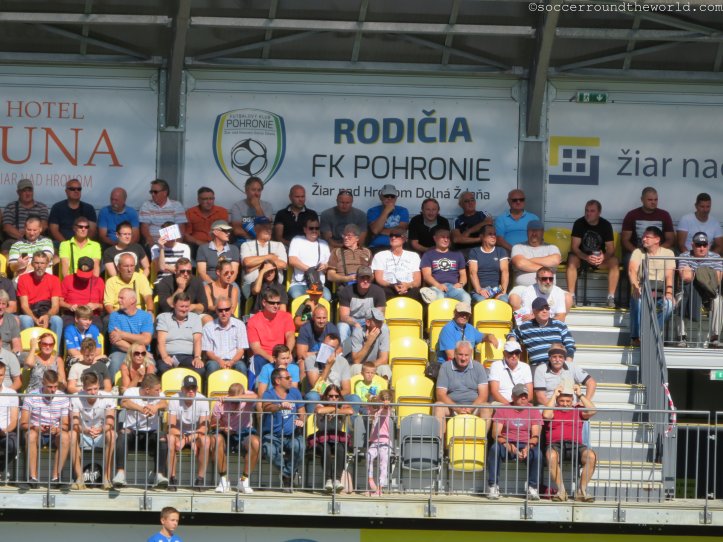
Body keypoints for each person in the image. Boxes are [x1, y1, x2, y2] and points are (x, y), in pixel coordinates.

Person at [543, 382, 597, 502]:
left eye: (568, 401)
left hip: (575, 445)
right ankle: (561, 491)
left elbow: (593, 410)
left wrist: (580, 395)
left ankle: (582, 491)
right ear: (557, 401)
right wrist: (554, 395)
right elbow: (546, 415)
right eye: (562, 401)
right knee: (551, 456)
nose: (565, 404)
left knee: (591, 456)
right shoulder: (552, 410)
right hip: (555, 445)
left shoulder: (577, 410)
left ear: (572, 400)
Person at [113, 374, 169, 489]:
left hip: (151, 433)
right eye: (157, 389)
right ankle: (120, 474)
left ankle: (159, 474)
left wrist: (155, 407)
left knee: (162, 437)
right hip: (132, 432)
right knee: (122, 434)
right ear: (147, 390)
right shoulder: (131, 391)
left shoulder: (159, 394)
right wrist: (141, 409)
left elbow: (165, 403)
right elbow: (124, 402)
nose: (159, 391)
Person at [487, 383, 542, 500]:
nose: (523, 398)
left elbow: (536, 435)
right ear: (513, 397)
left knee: (537, 454)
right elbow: (495, 433)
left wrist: (527, 448)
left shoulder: (533, 410)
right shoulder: (503, 409)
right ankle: (493, 485)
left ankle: (532, 487)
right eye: (520, 395)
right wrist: (509, 446)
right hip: (507, 442)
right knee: (494, 449)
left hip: (526, 443)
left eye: (525, 395)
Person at [20, 369, 70, 488]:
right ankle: (33, 478)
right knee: (31, 435)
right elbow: (23, 423)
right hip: (36, 432)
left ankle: (56, 478)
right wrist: (35, 427)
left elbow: (65, 425)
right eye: (50, 387)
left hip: (54, 433)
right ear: (43, 383)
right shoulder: (31, 395)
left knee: (65, 437)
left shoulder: (63, 397)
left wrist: (57, 429)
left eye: (55, 387)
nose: (53, 390)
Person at [566, 199, 619, 308]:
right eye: (586, 210)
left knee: (614, 262)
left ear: (599, 213)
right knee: (571, 260)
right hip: (581, 257)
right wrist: (586, 257)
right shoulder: (579, 223)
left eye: (592, 211)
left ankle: (611, 297)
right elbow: (574, 247)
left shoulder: (606, 225)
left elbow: (610, 249)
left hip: (598, 259)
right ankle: (571, 296)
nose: (588, 213)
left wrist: (603, 257)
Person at [261, 366, 306, 492]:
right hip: (272, 435)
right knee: (269, 451)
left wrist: (301, 421)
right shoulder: (268, 394)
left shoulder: (295, 392)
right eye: (287, 378)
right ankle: (288, 473)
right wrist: (279, 407)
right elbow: (266, 407)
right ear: (277, 380)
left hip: (292, 434)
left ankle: (286, 475)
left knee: (300, 446)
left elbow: (302, 411)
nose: (291, 379)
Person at [628, 226, 675, 346]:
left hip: (660, 290)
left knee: (669, 305)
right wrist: (635, 287)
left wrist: (669, 293)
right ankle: (636, 337)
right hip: (642, 288)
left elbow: (669, 275)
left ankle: (652, 333)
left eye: (647, 237)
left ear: (657, 239)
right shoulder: (638, 252)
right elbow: (632, 270)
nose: (643, 239)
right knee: (637, 301)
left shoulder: (668, 253)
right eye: (643, 236)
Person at [69, 371, 116, 490]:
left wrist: (101, 429)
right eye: (89, 389)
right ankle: (79, 478)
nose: (93, 392)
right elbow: (75, 424)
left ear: (99, 385)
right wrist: (85, 430)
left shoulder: (108, 397)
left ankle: (106, 478)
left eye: (95, 388)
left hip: (102, 433)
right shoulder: (75, 397)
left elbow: (110, 423)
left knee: (111, 434)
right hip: (83, 433)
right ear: (83, 388)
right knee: (72, 434)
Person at [433, 340, 490, 438]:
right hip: (451, 408)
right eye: (460, 354)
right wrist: (457, 408)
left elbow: (484, 395)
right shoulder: (445, 367)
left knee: (487, 407)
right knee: (438, 406)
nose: (463, 358)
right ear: (455, 353)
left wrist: (470, 409)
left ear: (471, 354)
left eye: (466, 355)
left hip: (474, 407)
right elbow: (440, 394)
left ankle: (481, 442)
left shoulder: (478, 367)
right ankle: (441, 444)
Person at [211, 382, 260, 494]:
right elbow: (213, 424)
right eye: (232, 401)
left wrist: (234, 398)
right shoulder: (220, 403)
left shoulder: (248, 397)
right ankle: (224, 480)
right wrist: (223, 428)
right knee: (216, 439)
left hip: (244, 432)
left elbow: (256, 396)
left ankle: (244, 480)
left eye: (237, 401)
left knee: (256, 442)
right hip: (226, 433)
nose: (235, 404)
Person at [677, 231, 723, 347]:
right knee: (680, 299)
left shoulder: (716, 257)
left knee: (718, 301)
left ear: (708, 245)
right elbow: (685, 277)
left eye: (704, 245)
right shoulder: (684, 256)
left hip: (709, 293)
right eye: (698, 245)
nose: (702, 248)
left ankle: (715, 337)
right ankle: (682, 337)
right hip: (689, 291)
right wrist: (706, 274)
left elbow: (717, 280)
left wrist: (694, 272)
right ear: (692, 245)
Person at [167, 374, 211, 490]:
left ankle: (200, 479)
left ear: (197, 389)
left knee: (206, 441)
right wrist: (183, 439)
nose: (191, 391)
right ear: (182, 389)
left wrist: (187, 440)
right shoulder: (174, 399)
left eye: (193, 388)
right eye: (188, 388)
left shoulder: (203, 400)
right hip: (178, 433)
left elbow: (204, 428)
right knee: (170, 439)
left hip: (195, 435)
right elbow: (171, 427)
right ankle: (172, 478)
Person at [246, 289, 296, 388]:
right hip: (263, 356)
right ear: (264, 302)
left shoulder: (286, 317)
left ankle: (291, 393)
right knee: (258, 360)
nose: (276, 306)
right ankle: (259, 390)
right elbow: (256, 348)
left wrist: (288, 353)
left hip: (282, 354)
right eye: (272, 303)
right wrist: (271, 358)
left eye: (278, 303)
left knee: (292, 364)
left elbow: (290, 336)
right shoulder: (253, 321)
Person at [309, 384, 353, 493]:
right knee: (325, 449)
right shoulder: (320, 404)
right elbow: (319, 410)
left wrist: (334, 410)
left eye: (336, 396)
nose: (334, 398)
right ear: (326, 396)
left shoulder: (342, 405)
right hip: (322, 437)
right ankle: (328, 479)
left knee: (341, 448)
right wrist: (335, 408)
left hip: (337, 437)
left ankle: (337, 480)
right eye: (331, 396)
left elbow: (350, 411)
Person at [514, 297, 576, 369]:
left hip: (558, 366)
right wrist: (512, 339)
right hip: (537, 367)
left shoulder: (559, 325)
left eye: (547, 308)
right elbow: (512, 334)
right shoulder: (526, 327)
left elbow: (570, 345)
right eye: (541, 309)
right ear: (534, 311)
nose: (545, 311)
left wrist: (568, 363)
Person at [107, 288, 154, 382]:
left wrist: (122, 334)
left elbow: (146, 340)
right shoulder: (114, 315)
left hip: (142, 353)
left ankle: (148, 388)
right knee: (115, 361)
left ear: (132, 300)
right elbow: (115, 340)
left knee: (151, 365)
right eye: (119, 298)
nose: (118, 300)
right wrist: (135, 351)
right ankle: (111, 388)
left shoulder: (146, 316)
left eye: (122, 298)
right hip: (121, 352)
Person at [156, 292, 204, 377]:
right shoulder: (164, 318)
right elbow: (161, 341)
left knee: (199, 369)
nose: (184, 309)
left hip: (188, 356)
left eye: (187, 306)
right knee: (164, 369)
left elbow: (197, 340)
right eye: (182, 306)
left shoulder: (195, 318)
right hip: (169, 355)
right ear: (174, 305)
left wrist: (197, 357)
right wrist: (165, 357)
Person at [17, 251, 63, 339]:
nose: (39, 266)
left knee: (57, 320)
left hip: (46, 310)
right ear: (32, 264)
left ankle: (55, 347)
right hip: (30, 312)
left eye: (42, 263)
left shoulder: (54, 280)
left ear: (47, 265)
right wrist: (34, 318)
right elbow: (24, 306)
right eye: (37, 263)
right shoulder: (23, 279)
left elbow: (55, 306)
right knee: (25, 319)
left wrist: (47, 316)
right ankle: (28, 347)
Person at [621, 186, 675, 261]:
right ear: (642, 199)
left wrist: (658, 251)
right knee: (628, 259)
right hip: (637, 251)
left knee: (672, 255)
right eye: (650, 200)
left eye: (656, 200)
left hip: (659, 251)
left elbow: (670, 239)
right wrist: (637, 253)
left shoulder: (664, 215)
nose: (653, 202)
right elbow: (625, 240)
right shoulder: (631, 215)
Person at [419, 228, 471, 304]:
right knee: (439, 298)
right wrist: (438, 285)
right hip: (435, 287)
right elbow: (426, 276)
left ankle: (462, 312)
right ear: (435, 238)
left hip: (454, 287)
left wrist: (461, 284)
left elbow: (463, 274)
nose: (446, 240)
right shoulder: (428, 255)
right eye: (443, 237)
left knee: (466, 297)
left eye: (448, 237)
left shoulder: (458, 254)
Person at [240, 216, 287, 298]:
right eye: (264, 227)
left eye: (270, 227)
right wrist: (270, 257)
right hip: (252, 286)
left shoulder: (278, 245)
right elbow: (247, 262)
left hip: (274, 285)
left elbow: (283, 264)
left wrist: (254, 265)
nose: (268, 230)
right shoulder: (246, 245)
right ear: (255, 229)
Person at [336, 265, 386, 343]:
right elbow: (344, 316)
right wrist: (355, 324)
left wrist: (370, 326)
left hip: (371, 321)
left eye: (368, 278)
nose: (365, 281)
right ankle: (344, 350)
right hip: (352, 321)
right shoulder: (346, 291)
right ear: (357, 278)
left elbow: (379, 315)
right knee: (342, 327)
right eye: (362, 278)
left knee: (384, 328)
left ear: (371, 279)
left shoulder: (379, 292)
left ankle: (382, 350)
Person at [371, 228, 422, 302]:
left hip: (409, 288)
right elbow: (379, 279)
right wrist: (392, 285)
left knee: (416, 292)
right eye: (391, 235)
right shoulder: (380, 255)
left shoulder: (414, 256)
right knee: (381, 291)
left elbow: (417, 281)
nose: (393, 237)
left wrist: (408, 285)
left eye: (397, 235)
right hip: (388, 287)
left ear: (404, 239)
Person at [509, 220, 562, 292]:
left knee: (568, 297)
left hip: (548, 288)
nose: (534, 233)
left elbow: (555, 260)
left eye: (537, 231)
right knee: (513, 298)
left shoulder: (552, 247)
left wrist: (528, 261)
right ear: (527, 232)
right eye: (531, 231)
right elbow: (520, 263)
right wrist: (546, 269)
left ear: (542, 232)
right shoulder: (518, 247)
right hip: (523, 289)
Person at [202, 296, 250, 375]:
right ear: (216, 311)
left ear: (231, 309)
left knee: (241, 367)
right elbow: (209, 352)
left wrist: (232, 362)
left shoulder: (240, 325)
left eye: (227, 309)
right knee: (212, 366)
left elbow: (240, 350)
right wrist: (219, 361)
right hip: (215, 361)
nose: (224, 313)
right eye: (220, 310)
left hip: (235, 360)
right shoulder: (208, 327)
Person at [288, 216, 332, 301]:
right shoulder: (297, 240)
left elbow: (329, 264)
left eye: (317, 228)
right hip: (299, 284)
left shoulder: (324, 244)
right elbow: (292, 260)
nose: (314, 230)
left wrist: (325, 266)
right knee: (297, 296)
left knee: (327, 297)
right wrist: (311, 271)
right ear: (305, 229)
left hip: (319, 285)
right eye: (311, 228)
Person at [304, 334, 353, 407]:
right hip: (319, 396)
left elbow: (347, 389)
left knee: (354, 398)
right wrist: (328, 366)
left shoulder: (343, 362)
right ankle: (313, 415)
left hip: (336, 396)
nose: (326, 349)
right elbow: (316, 388)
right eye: (325, 346)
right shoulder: (310, 360)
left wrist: (334, 396)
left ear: (337, 349)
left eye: (331, 348)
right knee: (312, 396)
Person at [1, 178, 49, 254]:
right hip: (15, 240)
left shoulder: (42, 207)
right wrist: (24, 237)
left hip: (38, 240)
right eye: (24, 191)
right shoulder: (11, 207)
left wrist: (32, 234)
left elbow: (44, 225)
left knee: (51, 250)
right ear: (18, 192)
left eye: (30, 190)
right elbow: (7, 227)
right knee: (5, 249)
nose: (27, 193)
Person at [60, 257, 105, 331]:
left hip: (91, 316)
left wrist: (96, 305)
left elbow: (105, 306)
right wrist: (69, 306)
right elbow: (59, 302)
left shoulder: (99, 281)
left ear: (92, 270)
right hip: (72, 315)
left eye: (86, 276)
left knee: (97, 327)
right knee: (69, 328)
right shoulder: (68, 279)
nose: (84, 278)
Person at [139, 179, 188, 247]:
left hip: (171, 243)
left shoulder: (177, 205)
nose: (152, 194)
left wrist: (177, 245)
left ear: (165, 192)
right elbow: (144, 227)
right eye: (151, 192)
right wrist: (151, 242)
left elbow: (181, 228)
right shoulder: (146, 205)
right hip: (153, 243)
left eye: (155, 192)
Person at [468, 224, 510, 303]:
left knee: (503, 301)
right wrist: (479, 290)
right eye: (490, 234)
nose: (493, 236)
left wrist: (503, 291)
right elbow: (472, 272)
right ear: (482, 237)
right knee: (481, 301)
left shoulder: (501, 251)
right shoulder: (474, 251)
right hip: (480, 289)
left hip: (497, 289)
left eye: (494, 234)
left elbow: (505, 271)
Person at [345, 308, 391, 379]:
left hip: (375, 365)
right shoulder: (358, 332)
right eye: (377, 322)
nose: (380, 325)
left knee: (385, 369)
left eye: (381, 321)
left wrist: (369, 368)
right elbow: (356, 360)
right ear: (368, 322)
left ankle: (384, 386)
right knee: (356, 368)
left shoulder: (384, 329)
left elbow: (384, 359)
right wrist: (368, 342)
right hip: (361, 366)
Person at [48, 178, 98, 243]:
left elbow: (92, 231)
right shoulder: (57, 207)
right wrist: (67, 245)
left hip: (83, 244)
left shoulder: (89, 208)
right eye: (72, 189)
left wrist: (82, 244)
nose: (76, 191)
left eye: (79, 189)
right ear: (66, 191)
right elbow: (54, 230)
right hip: (61, 243)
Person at [326, 224, 372, 289]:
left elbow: (373, 274)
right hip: (345, 286)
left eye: (349, 236)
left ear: (357, 238)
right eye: (344, 235)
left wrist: (363, 279)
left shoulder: (366, 251)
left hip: (363, 284)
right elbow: (330, 276)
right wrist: (347, 278)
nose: (345, 238)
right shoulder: (337, 251)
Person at [488, 338, 533, 404]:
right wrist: (509, 407)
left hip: (521, 403)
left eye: (517, 353)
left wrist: (520, 404)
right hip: (500, 403)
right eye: (511, 353)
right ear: (504, 353)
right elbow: (494, 392)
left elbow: (530, 394)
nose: (514, 356)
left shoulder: (526, 367)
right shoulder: (496, 366)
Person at [184, 186, 229, 251]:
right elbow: (186, 235)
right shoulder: (190, 212)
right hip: (196, 245)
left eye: (211, 199)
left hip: (217, 244)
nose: (208, 202)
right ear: (198, 200)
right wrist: (198, 242)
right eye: (205, 199)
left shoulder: (222, 211)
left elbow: (224, 233)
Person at [366, 388, 393, 496]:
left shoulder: (386, 411)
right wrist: (371, 399)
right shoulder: (375, 412)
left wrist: (385, 405)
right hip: (375, 441)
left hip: (385, 441)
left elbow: (385, 408)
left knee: (383, 464)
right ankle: (370, 480)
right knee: (368, 455)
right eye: (382, 399)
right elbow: (369, 407)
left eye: (386, 399)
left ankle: (380, 488)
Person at [230, 176, 274, 243]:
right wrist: (254, 239)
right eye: (253, 190)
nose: (256, 193)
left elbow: (266, 228)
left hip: (263, 241)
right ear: (246, 191)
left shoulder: (267, 206)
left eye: (259, 190)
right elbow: (237, 230)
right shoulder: (237, 206)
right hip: (244, 240)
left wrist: (257, 207)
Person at [367, 184, 410, 251]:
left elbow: (401, 231)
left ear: (396, 198)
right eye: (386, 196)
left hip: (398, 246)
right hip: (377, 246)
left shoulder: (403, 210)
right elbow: (375, 230)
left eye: (392, 196)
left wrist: (381, 230)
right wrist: (386, 211)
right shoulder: (372, 211)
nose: (389, 198)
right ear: (381, 197)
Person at [196, 219, 240, 284]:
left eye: (229, 231)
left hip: (228, 282)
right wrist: (214, 285)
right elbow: (202, 272)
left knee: (235, 288)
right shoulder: (203, 248)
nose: (228, 233)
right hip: (208, 282)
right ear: (215, 232)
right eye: (225, 230)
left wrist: (227, 284)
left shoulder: (234, 249)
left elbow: (234, 272)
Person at [150, 221, 192, 286]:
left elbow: (184, 268)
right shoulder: (155, 248)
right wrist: (161, 248)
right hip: (162, 280)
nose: (171, 238)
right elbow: (159, 268)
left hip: (181, 278)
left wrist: (165, 266)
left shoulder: (185, 247)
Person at [452, 191, 493, 255]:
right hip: (464, 251)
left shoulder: (483, 214)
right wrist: (480, 239)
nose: (470, 203)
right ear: (460, 204)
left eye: (472, 200)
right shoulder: (457, 220)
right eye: (466, 201)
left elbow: (489, 222)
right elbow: (457, 239)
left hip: (482, 250)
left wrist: (468, 232)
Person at [0, 361, 18, 479]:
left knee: (13, 445)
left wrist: (5, 431)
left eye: (1, 375)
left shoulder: (11, 393)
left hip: (6, 432)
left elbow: (14, 420)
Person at [0, 290, 21, 355]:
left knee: (24, 356)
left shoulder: (11, 319)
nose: (0, 307)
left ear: (7, 305)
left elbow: (17, 346)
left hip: (7, 355)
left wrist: (13, 357)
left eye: (3, 304)